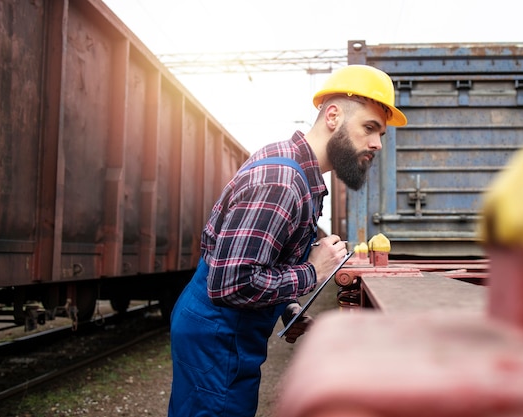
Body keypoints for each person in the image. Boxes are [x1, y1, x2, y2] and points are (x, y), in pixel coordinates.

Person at [167, 64, 408, 417]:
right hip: (218, 339)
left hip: (224, 335)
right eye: (369, 128)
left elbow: (264, 260)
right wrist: (313, 272)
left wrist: (289, 308)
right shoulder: (282, 179)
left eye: (381, 135)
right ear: (333, 115)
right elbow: (231, 283)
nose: (376, 143)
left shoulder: (298, 172)